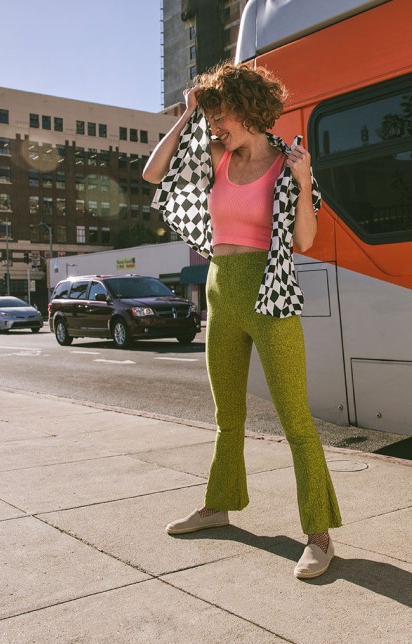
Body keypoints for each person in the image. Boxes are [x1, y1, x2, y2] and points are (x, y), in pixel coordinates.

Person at [143, 62, 342, 579]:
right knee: (226, 415)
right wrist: (187, 113)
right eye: (207, 115)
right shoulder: (216, 155)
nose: (213, 124)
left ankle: (319, 535)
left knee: (296, 418)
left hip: (270, 294)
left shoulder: (288, 164)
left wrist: (302, 183)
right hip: (220, 289)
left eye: (218, 113)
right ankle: (219, 504)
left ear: (248, 110)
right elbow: (153, 172)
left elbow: (304, 241)